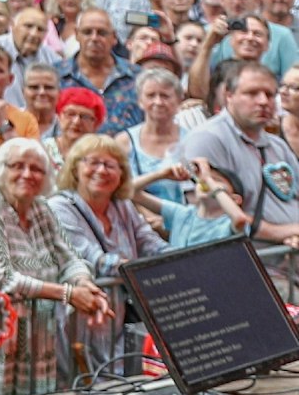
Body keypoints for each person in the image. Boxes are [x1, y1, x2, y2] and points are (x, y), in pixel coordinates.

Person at [0, 137, 109, 395]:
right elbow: (2, 277)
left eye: (36, 169)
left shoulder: (42, 209)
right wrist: (68, 294)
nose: (27, 174)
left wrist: (84, 284)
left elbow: (69, 257)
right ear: (2, 169)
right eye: (17, 166)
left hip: (37, 336)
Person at [45, 133, 176, 375]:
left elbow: (151, 243)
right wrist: (145, 269)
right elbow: (96, 261)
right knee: (83, 385)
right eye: (92, 162)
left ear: (122, 174)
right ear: (75, 168)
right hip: (81, 316)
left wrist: (179, 260)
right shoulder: (59, 207)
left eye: (110, 165)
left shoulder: (122, 206)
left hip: (119, 317)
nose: (101, 170)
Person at [179, 61, 299, 242]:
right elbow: (212, 213)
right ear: (229, 95)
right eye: (251, 93)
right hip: (245, 259)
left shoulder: (277, 146)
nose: (263, 101)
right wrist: (282, 233)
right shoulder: (207, 138)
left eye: (269, 94)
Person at [57, 7, 141, 134]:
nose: (94, 38)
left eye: (102, 33)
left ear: (114, 37)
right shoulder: (56, 75)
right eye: (87, 32)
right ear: (77, 35)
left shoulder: (138, 77)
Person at [119, 67, 188, 204]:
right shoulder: (124, 142)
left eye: (165, 96)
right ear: (140, 101)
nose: (158, 102)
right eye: (151, 95)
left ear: (179, 100)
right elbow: (119, 190)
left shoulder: (191, 139)